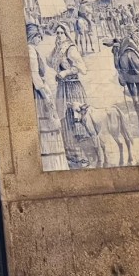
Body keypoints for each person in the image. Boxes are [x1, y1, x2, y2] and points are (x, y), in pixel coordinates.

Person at [27, 23, 68, 171]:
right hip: (40, 95)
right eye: (39, 36)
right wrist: (46, 97)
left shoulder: (33, 50)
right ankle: (53, 165)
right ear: (33, 36)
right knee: (48, 126)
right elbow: (36, 78)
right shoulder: (30, 51)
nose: (40, 39)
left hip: (41, 91)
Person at [49, 24, 88, 167]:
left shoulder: (71, 49)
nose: (59, 35)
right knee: (64, 119)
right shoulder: (58, 49)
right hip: (62, 87)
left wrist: (66, 72)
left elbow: (82, 67)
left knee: (75, 120)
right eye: (57, 33)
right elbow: (49, 61)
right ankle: (71, 154)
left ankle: (81, 155)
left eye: (61, 32)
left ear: (66, 33)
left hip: (73, 87)